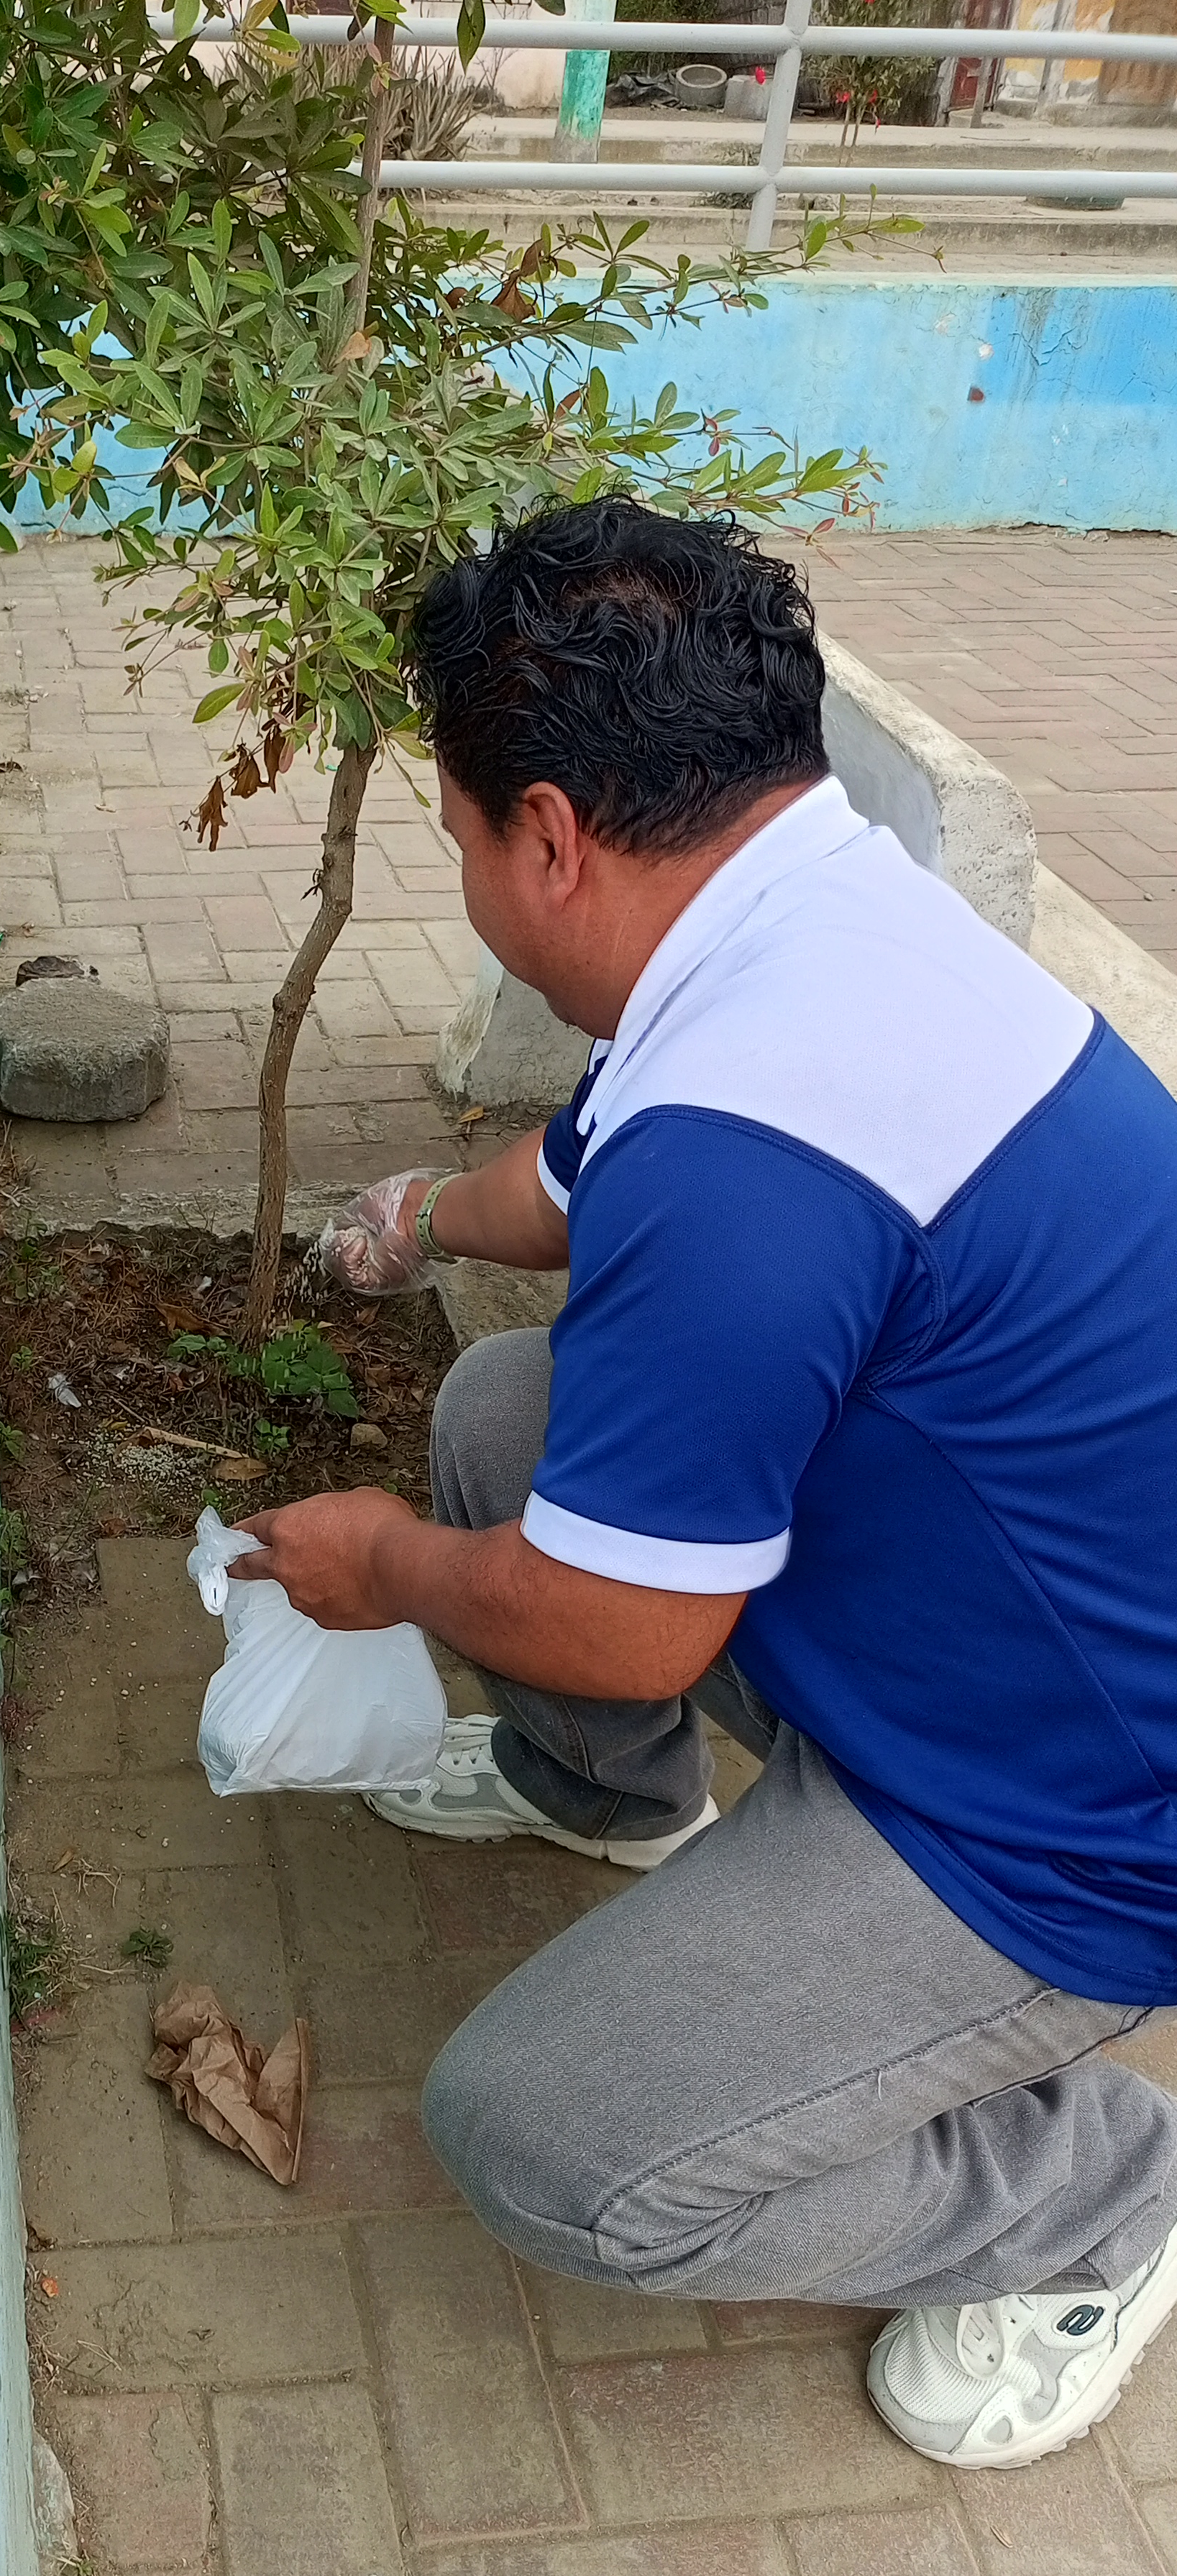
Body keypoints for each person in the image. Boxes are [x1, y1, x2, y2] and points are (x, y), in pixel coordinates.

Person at [231, 497, 1177, 2472]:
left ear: (549, 835)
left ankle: (1096, 2193)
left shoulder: (750, 1146)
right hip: (985, 1620)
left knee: (548, 2139)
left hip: (1070, 1817)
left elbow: (622, 1618)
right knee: (512, 1406)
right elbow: (568, 1181)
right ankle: (609, 1795)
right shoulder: (806, 912)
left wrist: (385, 1562)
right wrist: (419, 1214)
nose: (468, 880)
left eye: (460, 838)